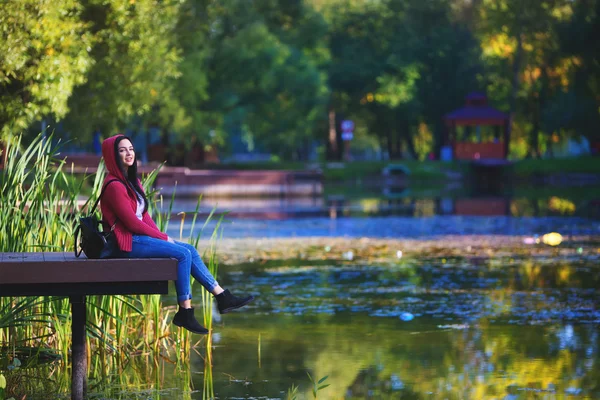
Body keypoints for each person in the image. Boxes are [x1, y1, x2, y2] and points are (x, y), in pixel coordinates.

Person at [99, 134, 254, 334]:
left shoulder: (132, 181)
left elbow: (144, 217)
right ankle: (185, 312)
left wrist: (159, 234)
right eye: (122, 150)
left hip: (138, 239)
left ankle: (222, 296)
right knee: (182, 254)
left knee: (189, 248)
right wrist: (164, 238)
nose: (129, 153)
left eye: (131, 149)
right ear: (112, 155)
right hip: (126, 243)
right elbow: (131, 223)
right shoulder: (114, 185)